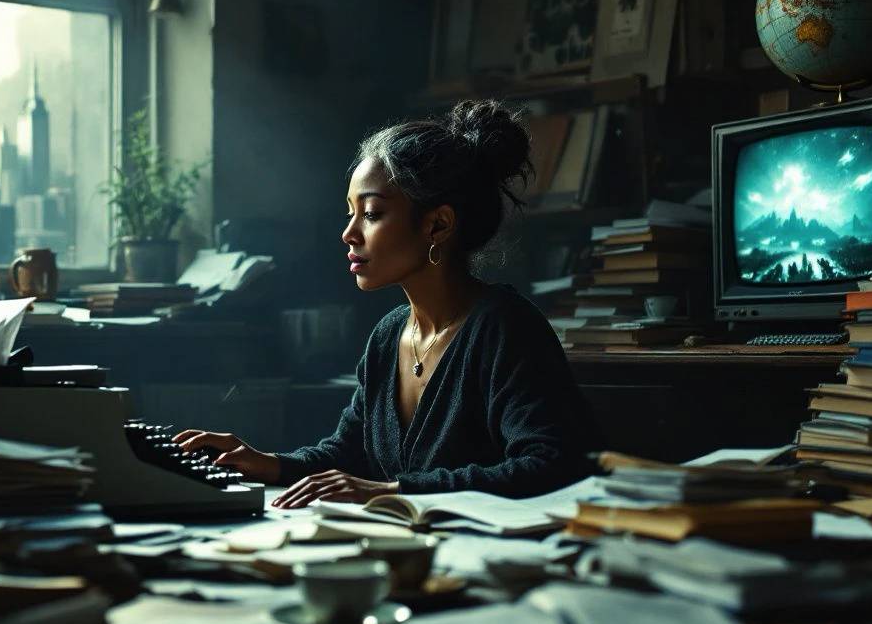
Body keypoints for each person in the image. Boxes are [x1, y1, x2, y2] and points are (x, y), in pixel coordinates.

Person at [174, 99, 599, 509]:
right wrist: (266, 462)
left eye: (371, 214)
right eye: (349, 213)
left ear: (438, 224)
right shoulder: (389, 336)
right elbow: (348, 455)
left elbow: (551, 464)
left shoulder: (505, 328)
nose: (349, 234)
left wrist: (392, 490)